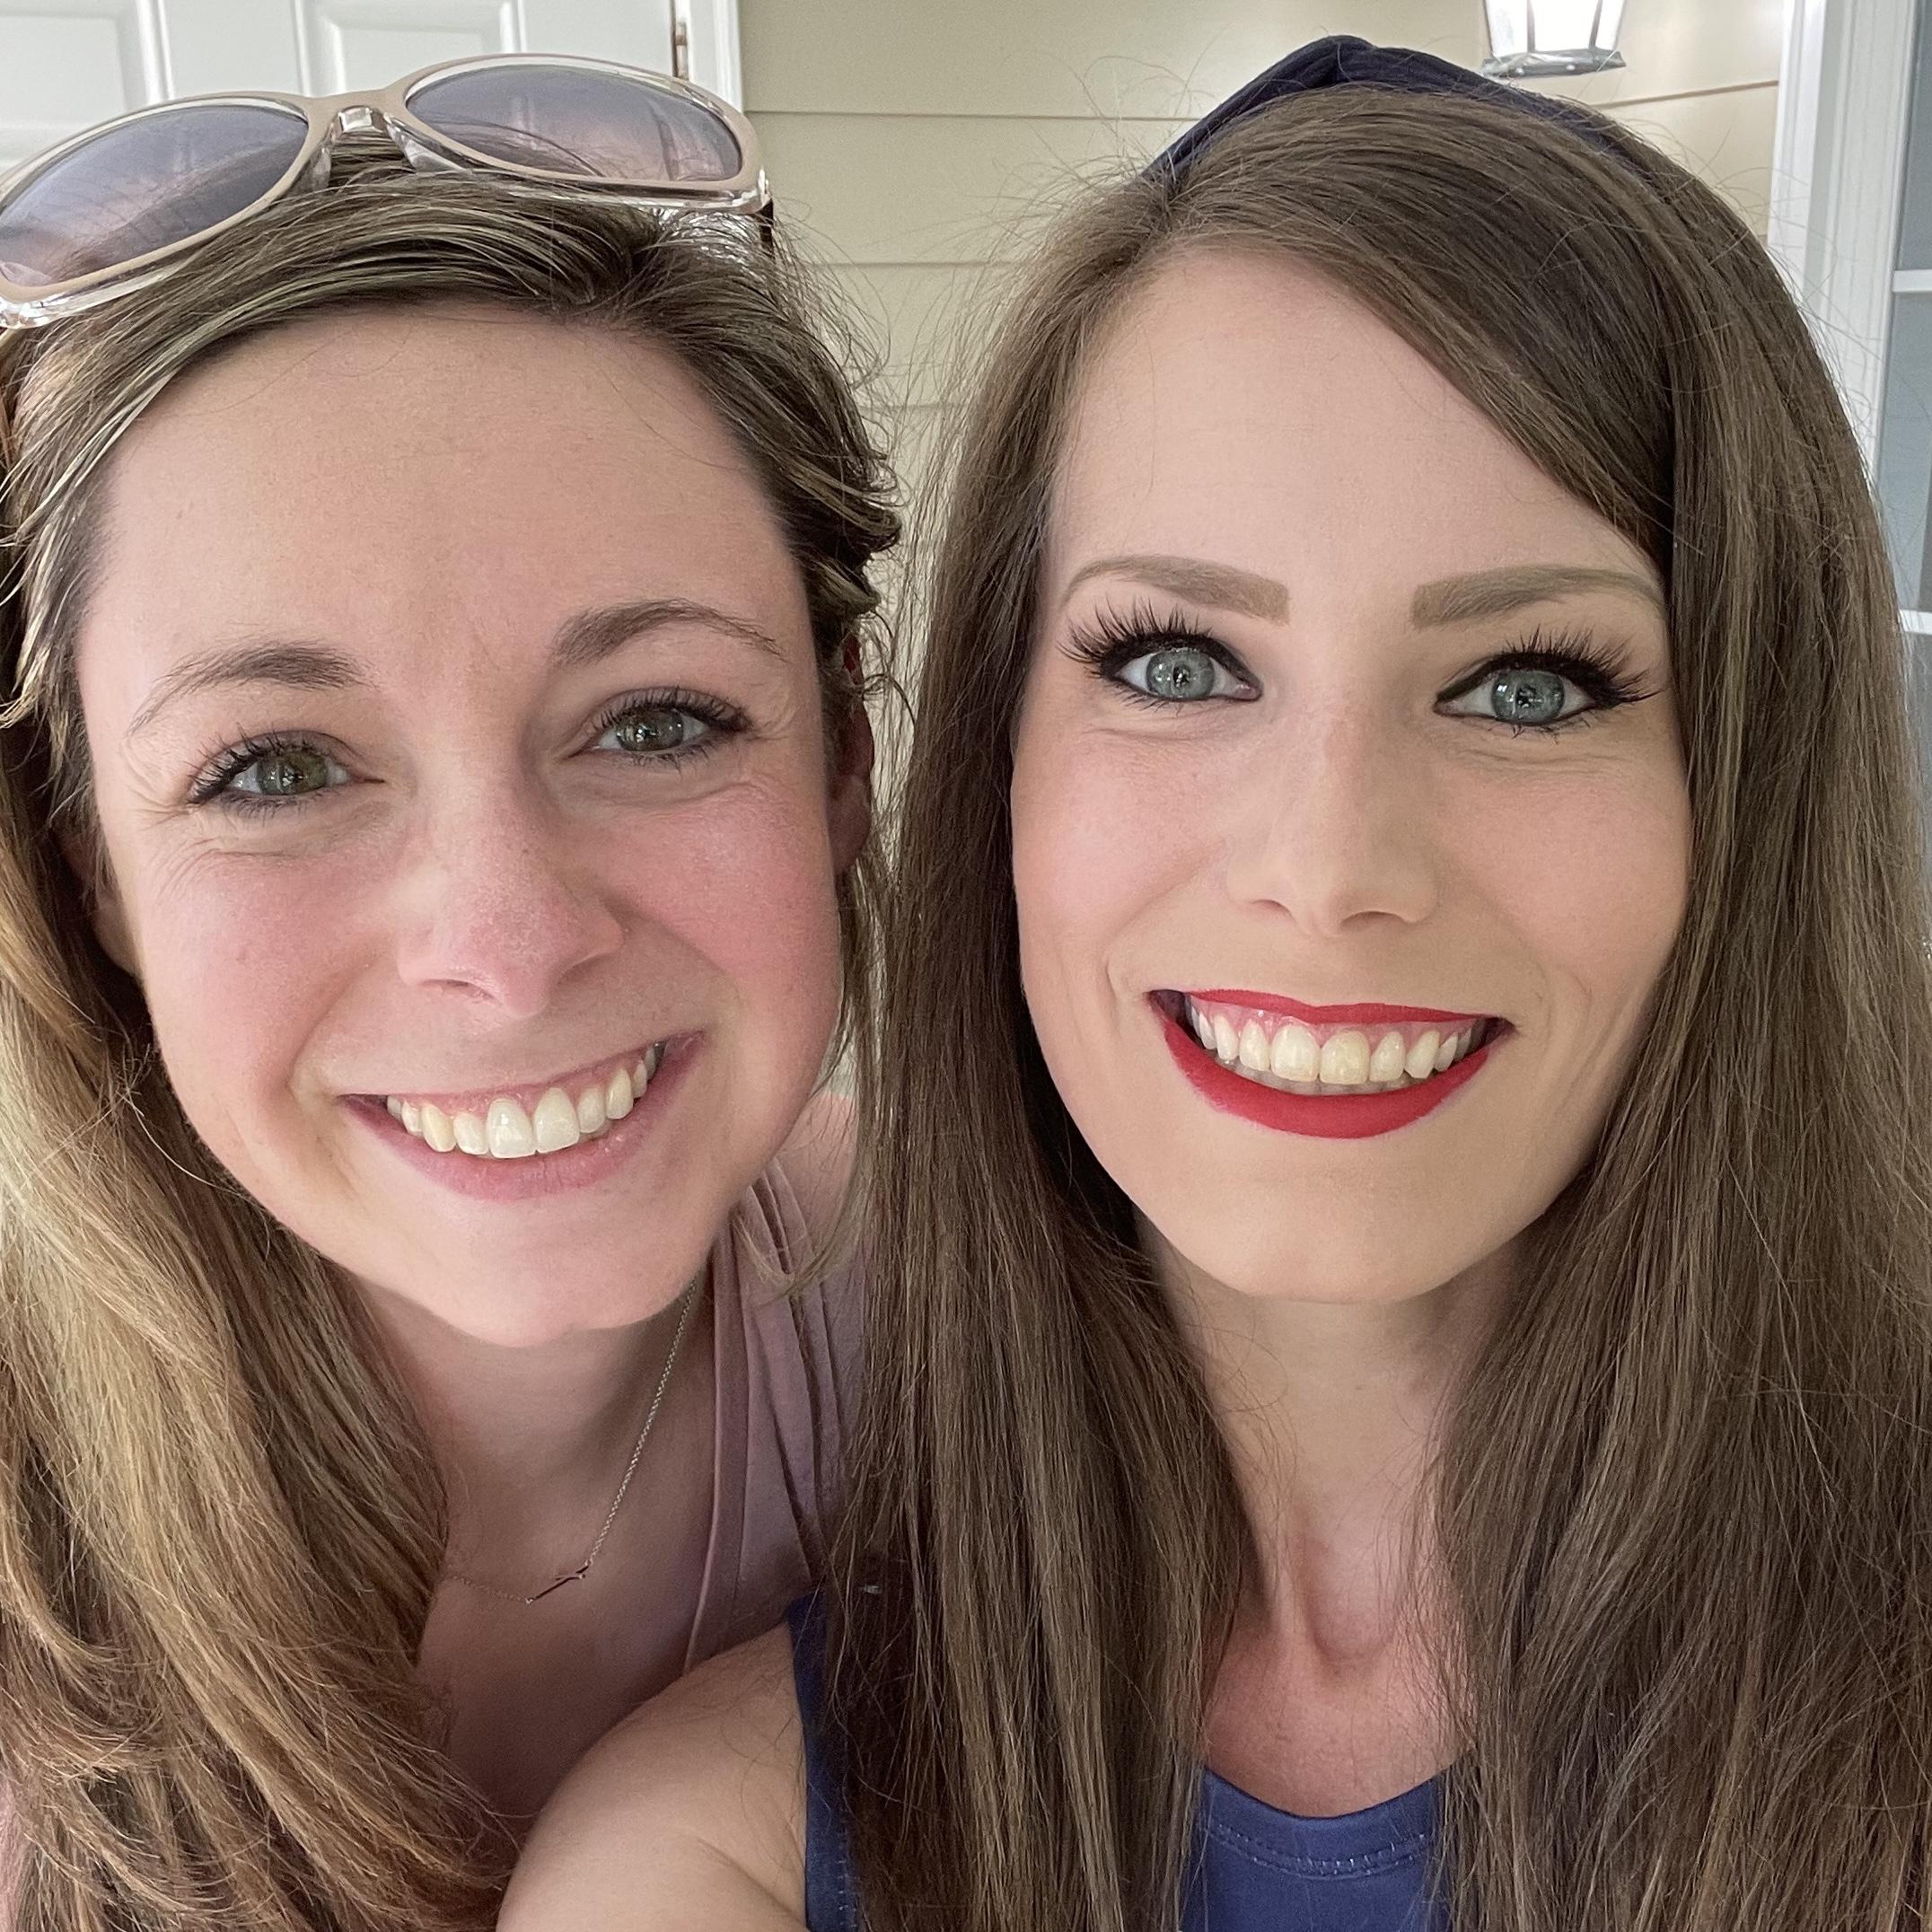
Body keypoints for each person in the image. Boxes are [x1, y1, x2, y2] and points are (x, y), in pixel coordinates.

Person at [502, 36, 1932, 1932]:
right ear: (1000, 761)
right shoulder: (713, 1850)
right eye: (1177, 662)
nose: (1326, 868)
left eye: (1527, 683)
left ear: (1752, 786)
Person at [0, 56, 893, 1931]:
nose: (506, 940)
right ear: (92, 871)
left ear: (839, 769)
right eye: (273, 767)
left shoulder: (990, 1335)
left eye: (657, 721)